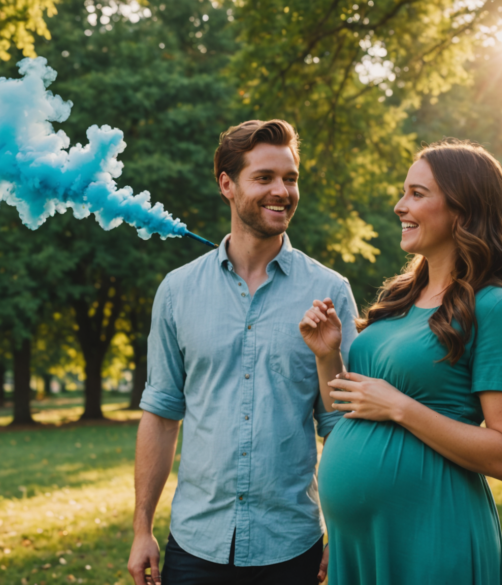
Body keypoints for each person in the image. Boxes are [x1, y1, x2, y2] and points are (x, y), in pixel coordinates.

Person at [298, 139, 502, 584]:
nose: (400, 206)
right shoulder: (400, 299)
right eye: (403, 192)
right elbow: (348, 409)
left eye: (417, 193)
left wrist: (400, 407)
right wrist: (327, 356)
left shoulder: (493, 307)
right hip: (361, 541)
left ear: (462, 210)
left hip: (432, 534)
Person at [127, 119, 360, 585]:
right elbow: (161, 413)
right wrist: (141, 529)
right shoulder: (177, 291)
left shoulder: (330, 290)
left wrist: (344, 534)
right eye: (265, 178)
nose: (283, 190)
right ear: (227, 185)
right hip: (195, 544)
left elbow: (343, 425)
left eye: (290, 178)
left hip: (293, 546)